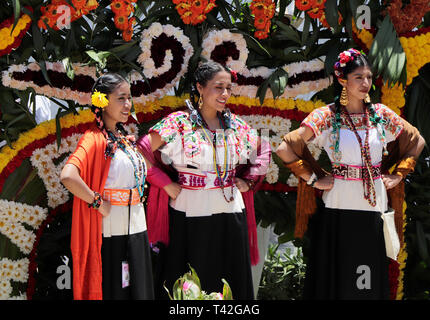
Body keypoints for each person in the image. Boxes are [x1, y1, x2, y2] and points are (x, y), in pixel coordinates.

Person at [276, 48, 425, 299]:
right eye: (358, 77)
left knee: (366, 276)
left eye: (368, 77)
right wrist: (313, 179)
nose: (365, 83)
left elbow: (417, 141)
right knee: (339, 276)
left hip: (373, 207)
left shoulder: (380, 114)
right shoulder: (327, 116)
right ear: (342, 79)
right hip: (338, 205)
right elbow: (285, 147)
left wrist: (399, 174)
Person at [136, 61, 271, 299]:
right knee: (188, 280)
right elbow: (140, 152)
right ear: (200, 87)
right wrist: (164, 183)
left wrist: (248, 179)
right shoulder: (178, 122)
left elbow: (264, 148)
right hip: (190, 210)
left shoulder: (235, 124)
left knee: (230, 281)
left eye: (228, 88)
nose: (225, 94)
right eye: (218, 87)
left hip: (230, 211)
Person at [60, 73, 154, 300]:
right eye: (121, 98)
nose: (128, 104)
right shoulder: (92, 138)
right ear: (102, 101)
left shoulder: (123, 138)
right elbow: (68, 175)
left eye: (129, 98)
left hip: (137, 227)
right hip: (111, 232)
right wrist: (98, 202)